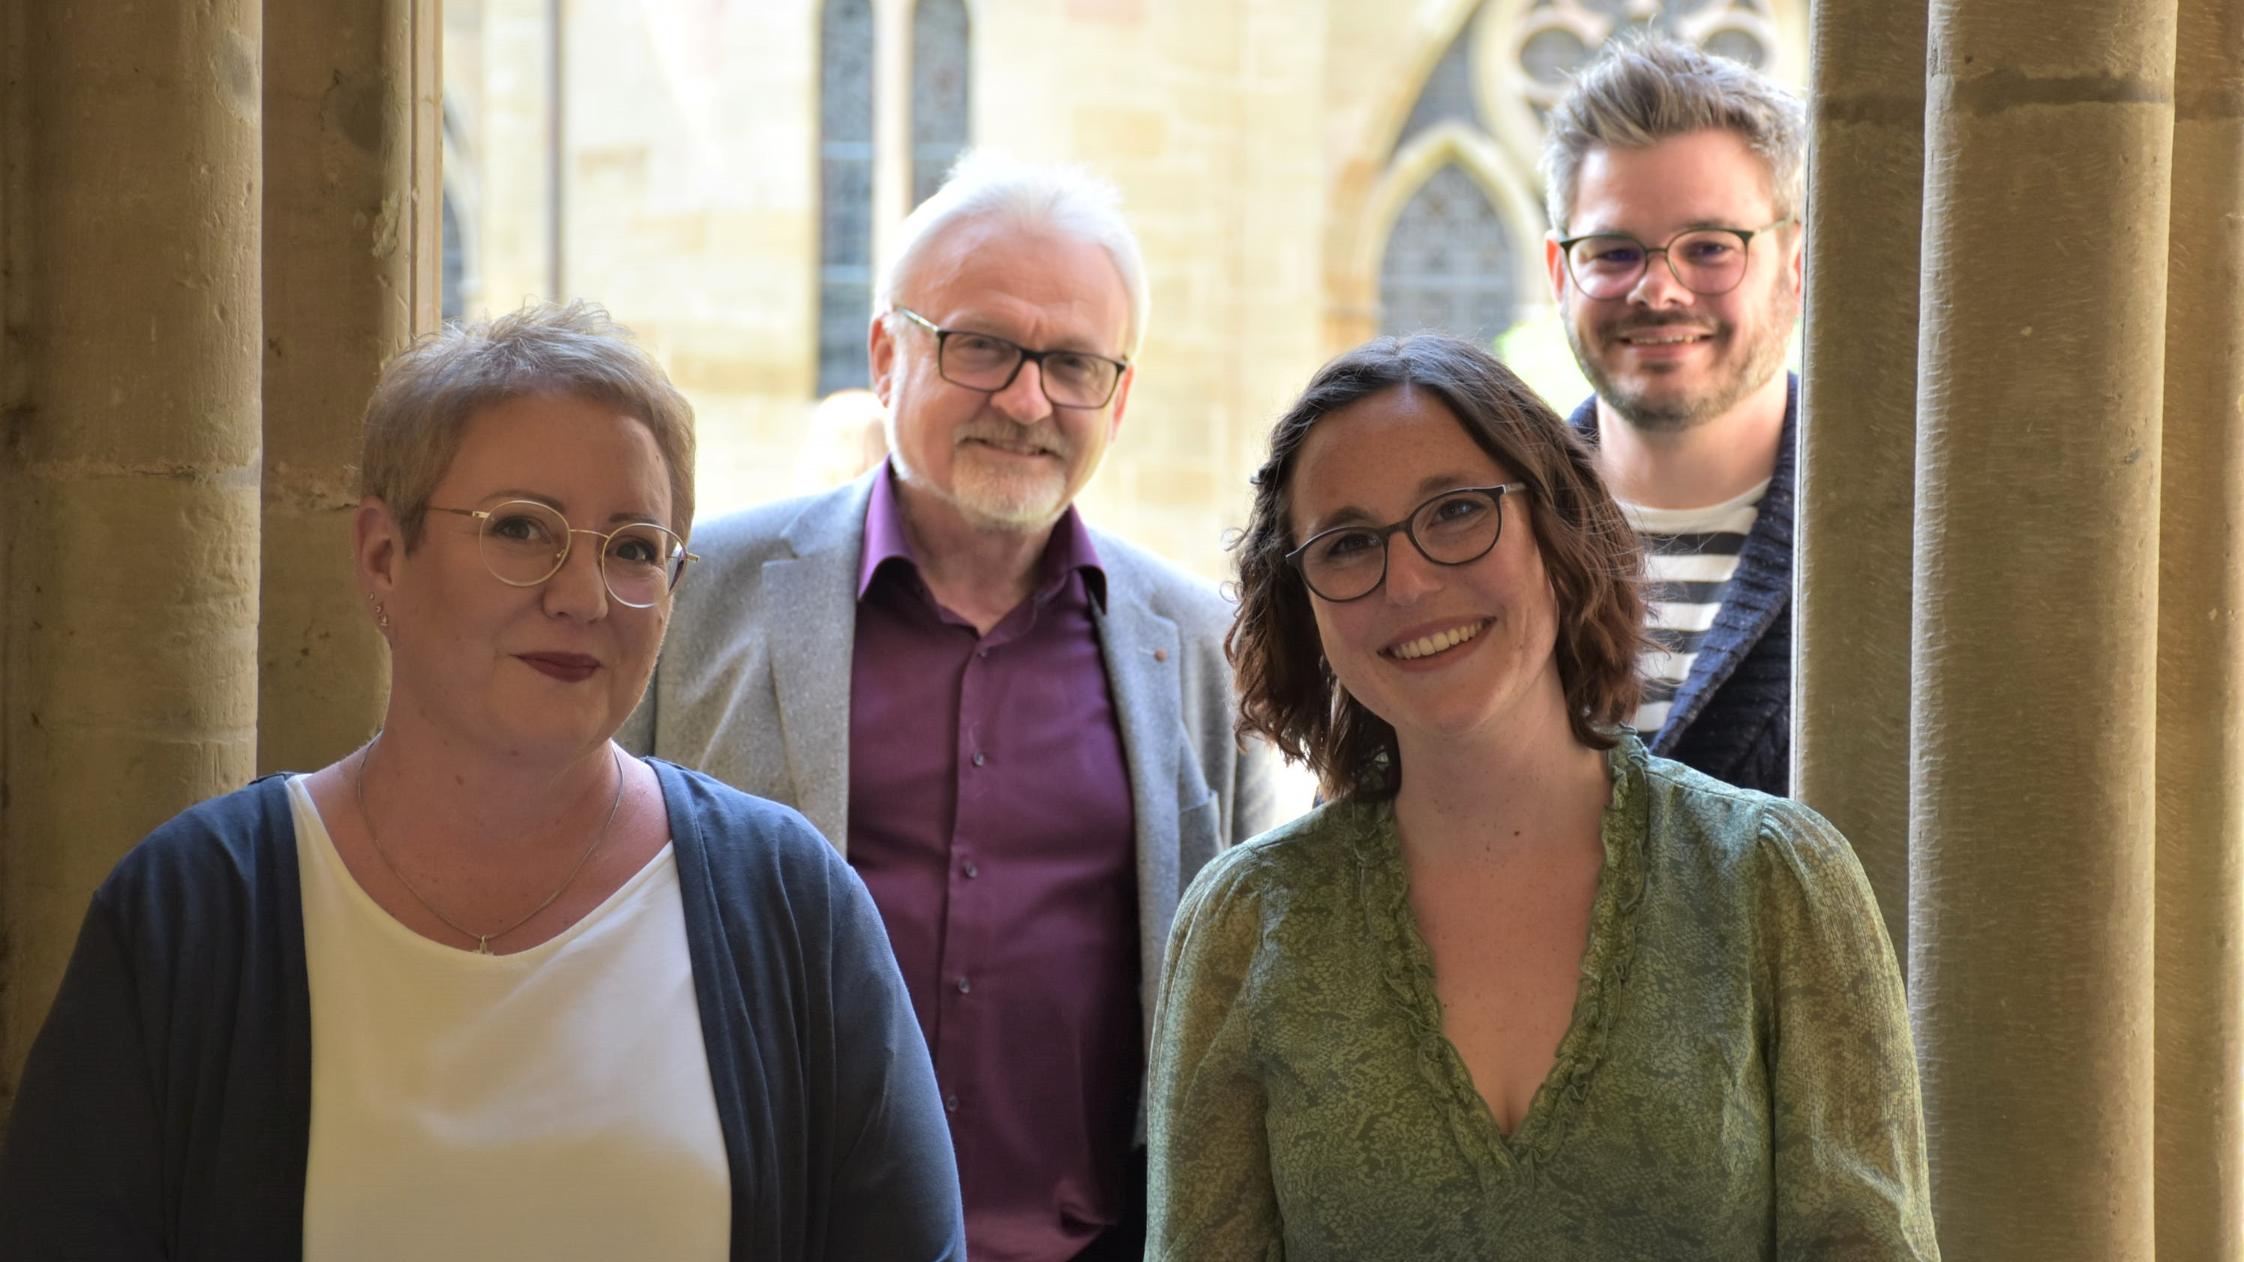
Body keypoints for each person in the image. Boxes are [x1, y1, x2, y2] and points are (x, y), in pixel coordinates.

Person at [0, 303, 965, 1261]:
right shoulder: (191, 913)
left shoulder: (791, 907)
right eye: (521, 530)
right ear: (383, 556)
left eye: (633, 547)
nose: (582, 597)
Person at [623, 153, 1288, 1262]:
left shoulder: (1200, 649)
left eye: (1073, 362)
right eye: (981, 345)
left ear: (1118, 398)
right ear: (888, 355)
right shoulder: (698, 600)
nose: (1027, 401)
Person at [1146, 335, 1936, 1258]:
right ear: (1305, 604)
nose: (1408, 580)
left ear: (1558, 530)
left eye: (1455, 513)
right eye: (1350, 543)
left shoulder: (1776, 884)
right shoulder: (1246, 925)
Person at [1542, 36, 1805, 794]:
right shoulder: (1476, 539)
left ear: (1794, 266)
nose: (1658, 290)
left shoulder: (1894, 543)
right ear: (1560, 273)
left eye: (1710, 248)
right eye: (1614, 252)